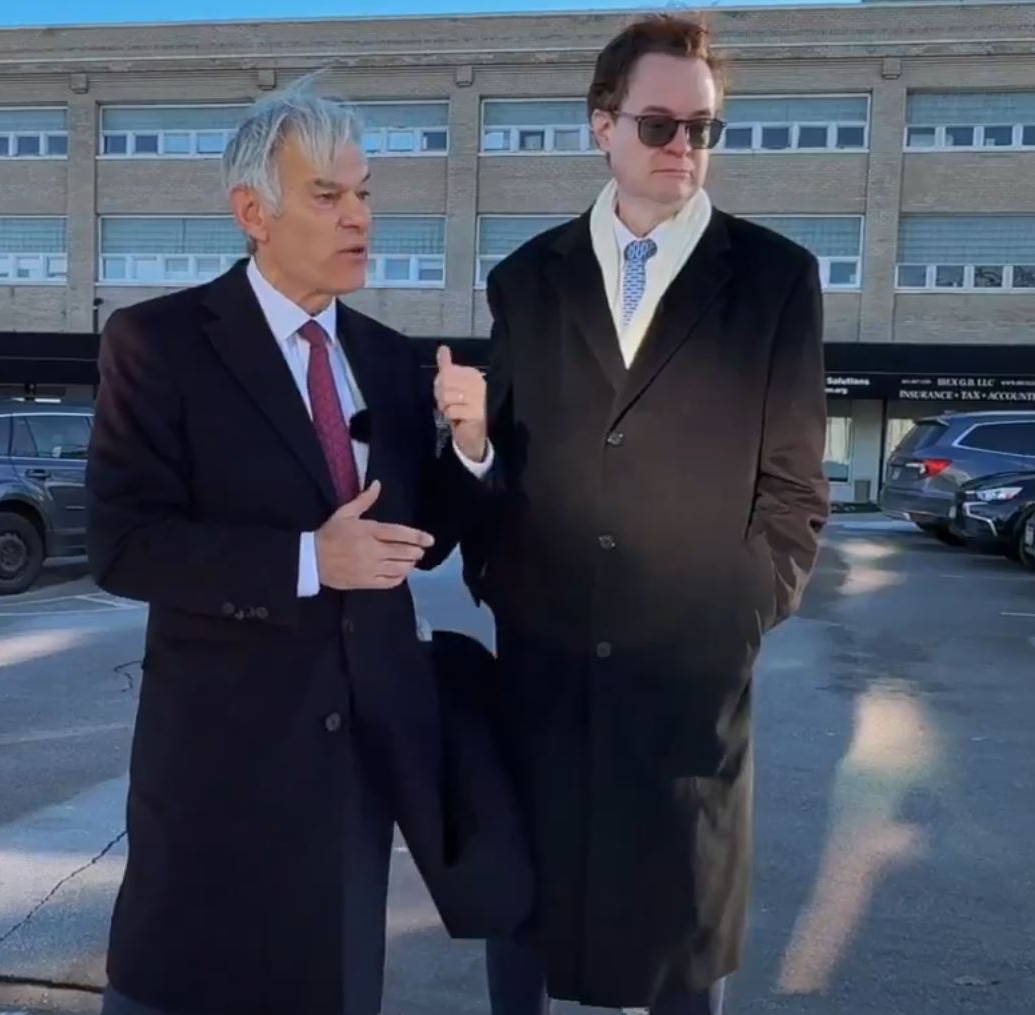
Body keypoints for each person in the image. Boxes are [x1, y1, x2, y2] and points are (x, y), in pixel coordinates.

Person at [85, 80, 512, 1015]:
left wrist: (471, 451)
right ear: (254, 213)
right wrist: (309, 560)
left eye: (363, 194)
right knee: (182, 985)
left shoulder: (393, 358)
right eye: (327, 195)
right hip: (219, 756)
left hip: (358, 754)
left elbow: (412, 544)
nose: (358, 217)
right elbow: (124, 543)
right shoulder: (158, 343)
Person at [459, 14, 831, 1015]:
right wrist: (495, 551)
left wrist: (734, 621)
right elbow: (502, 468)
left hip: (687, 691)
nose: (683, 150)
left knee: (682, 951)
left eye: (703, 129)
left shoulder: (775, 280)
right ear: (602, 126)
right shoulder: (528, 281)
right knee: (524, 932)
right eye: (659, 125)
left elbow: (795, 493)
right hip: (543, 680)